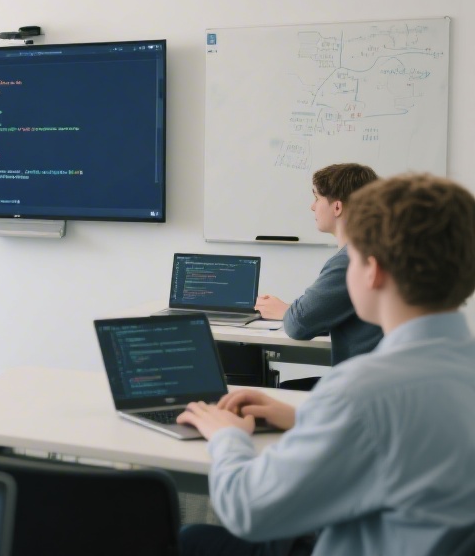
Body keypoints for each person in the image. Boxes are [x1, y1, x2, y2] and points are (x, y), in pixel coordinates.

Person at [177, 173, 475, 556]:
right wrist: (308, 419)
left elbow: (247, 509)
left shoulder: (364, 391)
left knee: (190, 540)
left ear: (373, 270)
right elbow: (413, 445)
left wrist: (226, 436)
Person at [255, 163, 383, 374]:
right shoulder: (374, 249)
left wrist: (286, 311)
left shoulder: (351, 258)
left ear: (337, 207)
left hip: (358, 385)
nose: (312, 207)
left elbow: (299, 325)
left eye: (317, 198)